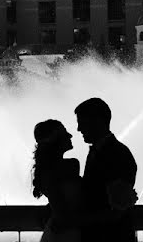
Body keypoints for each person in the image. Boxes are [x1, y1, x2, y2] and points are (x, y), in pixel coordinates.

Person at [74, 98, 137, 241]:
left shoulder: (118, 154)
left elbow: (116, 211)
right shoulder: (103, 151)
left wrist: (74, 220)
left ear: (98, 121)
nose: (79, 129)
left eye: (82, 122)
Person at [31, 119, 87, 242]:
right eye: (65, 132)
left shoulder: (45, 171)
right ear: (55, 140)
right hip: (67, 230)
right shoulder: (71, 165)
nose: (70, 135)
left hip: (59, 229)